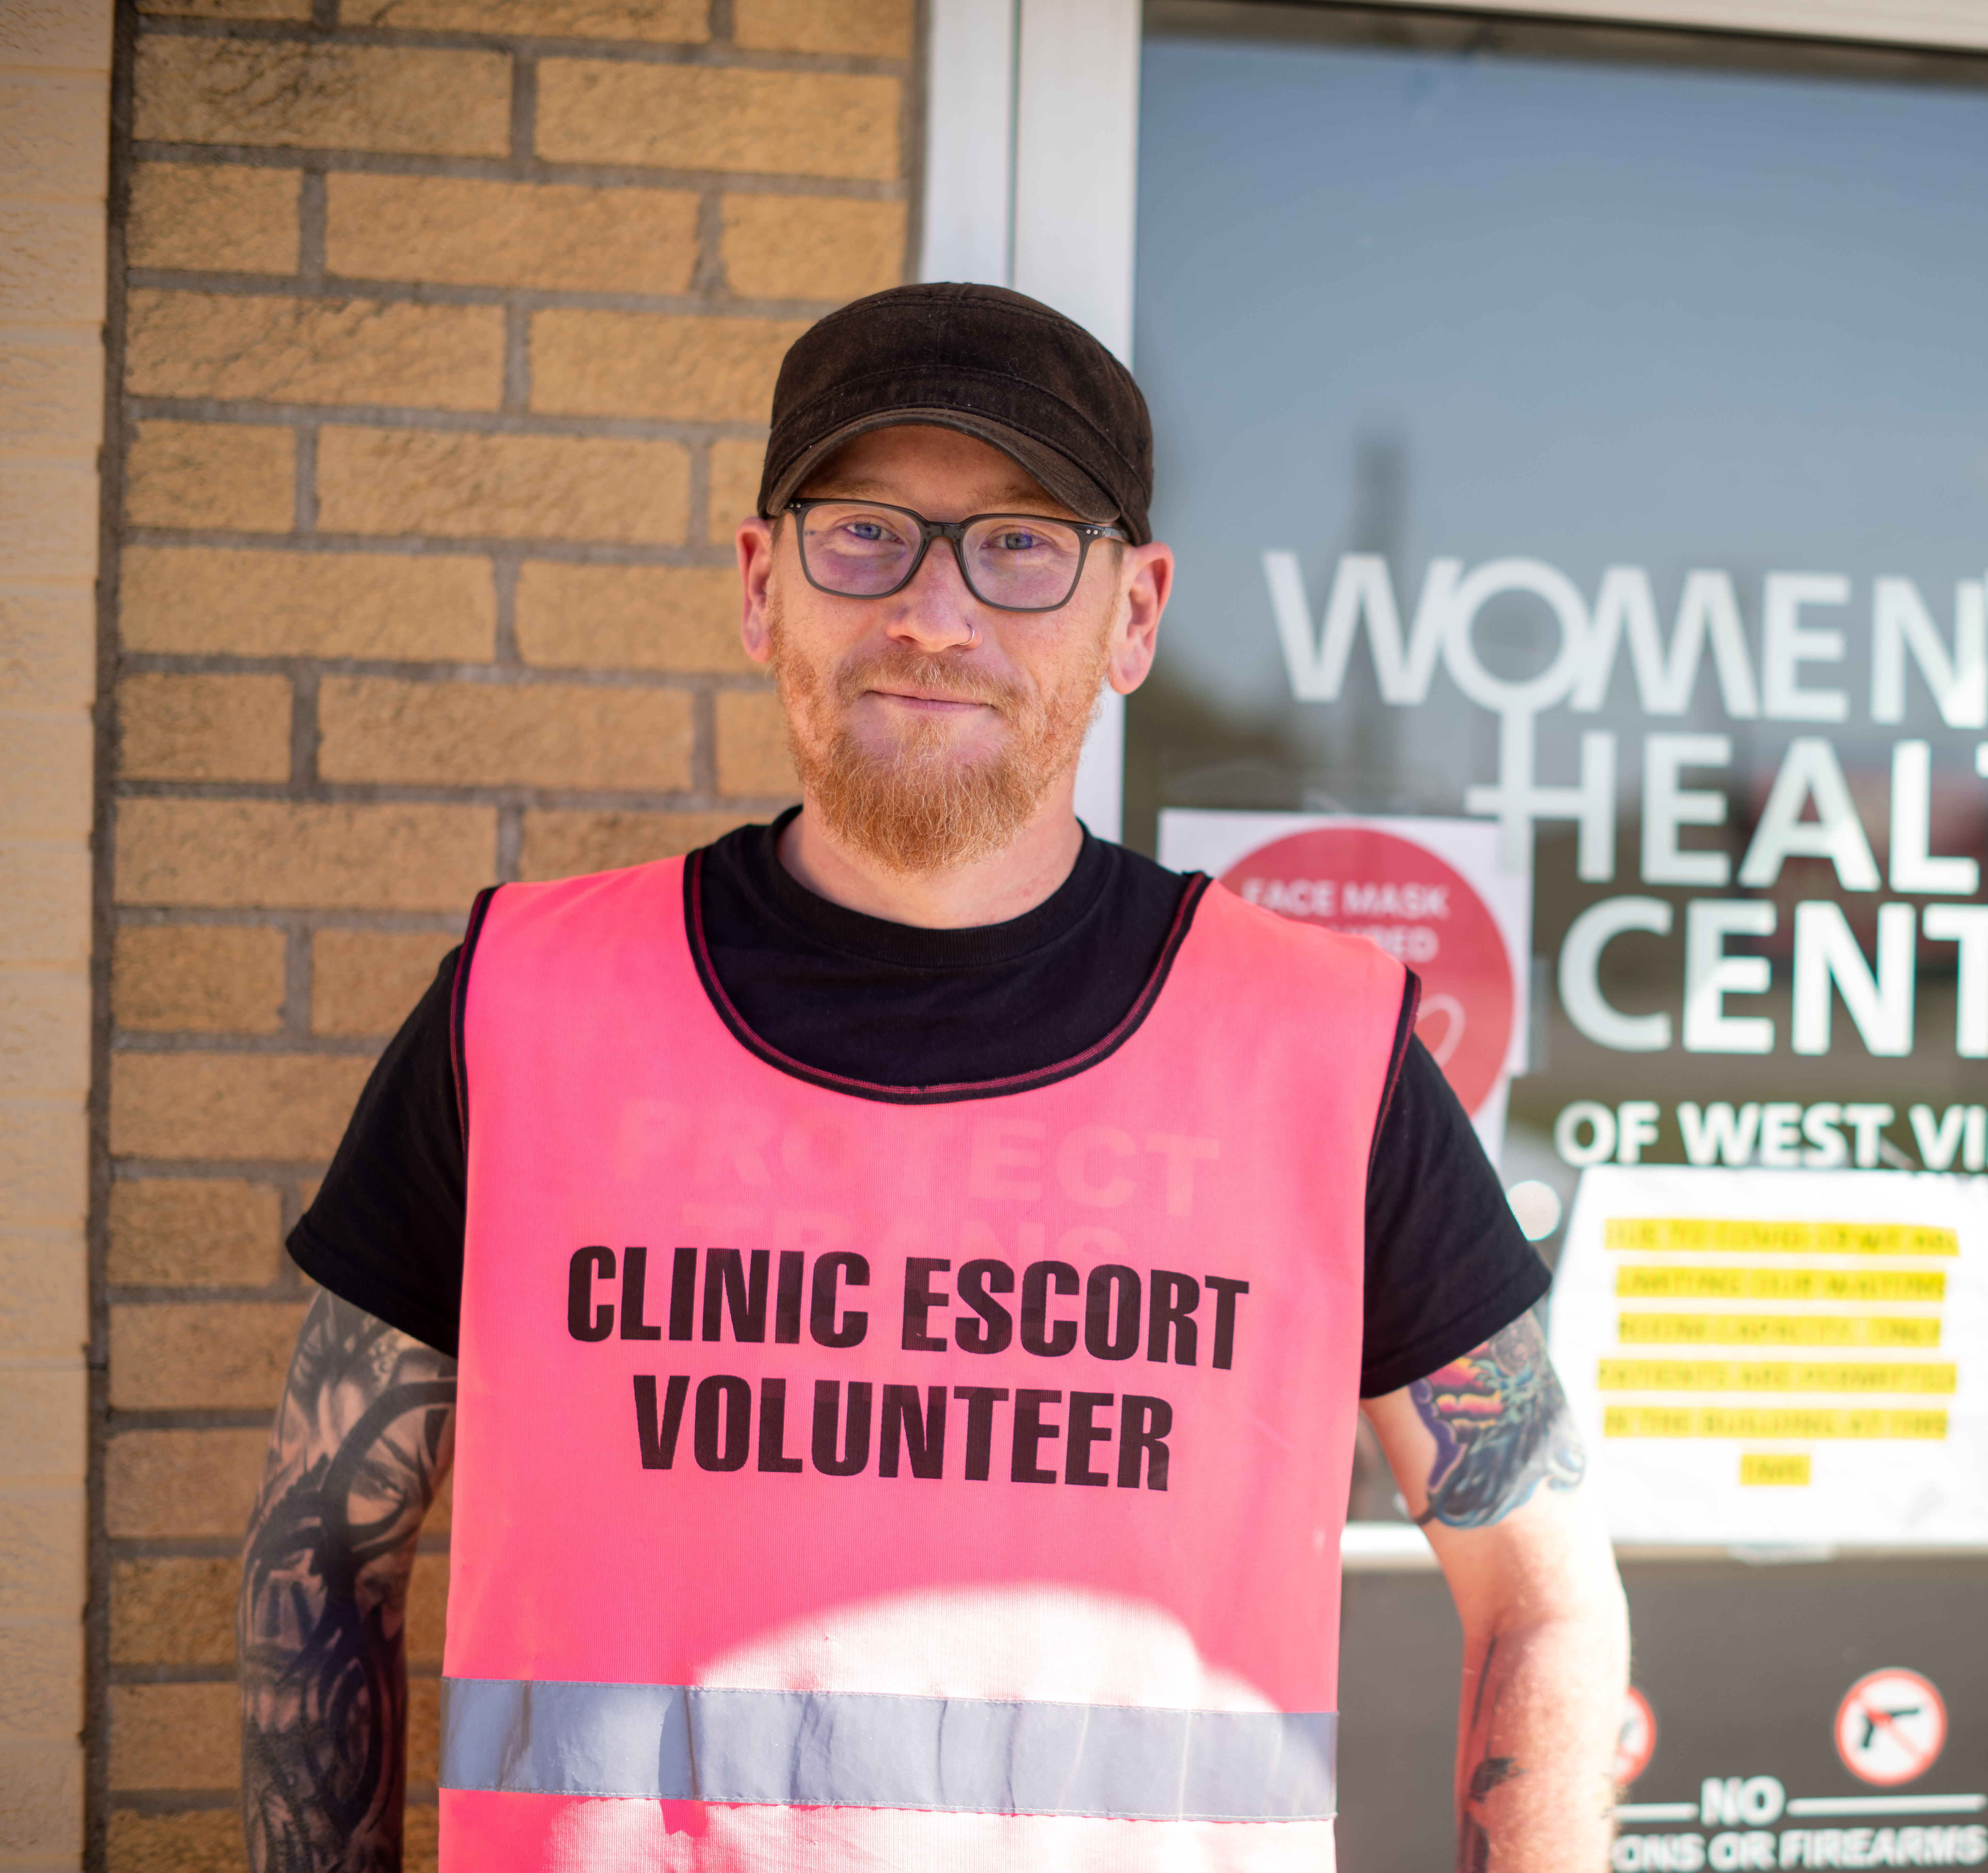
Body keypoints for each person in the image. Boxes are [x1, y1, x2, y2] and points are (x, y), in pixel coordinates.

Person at [237, 282, 1629, 1872]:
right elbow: (319, 1554)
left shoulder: (1326, 1049)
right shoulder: (524, 1005)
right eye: (865, 535)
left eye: (1023, 543)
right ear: (764, 584)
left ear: (1138, 611)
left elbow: (1545, 1593)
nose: (935, 612)